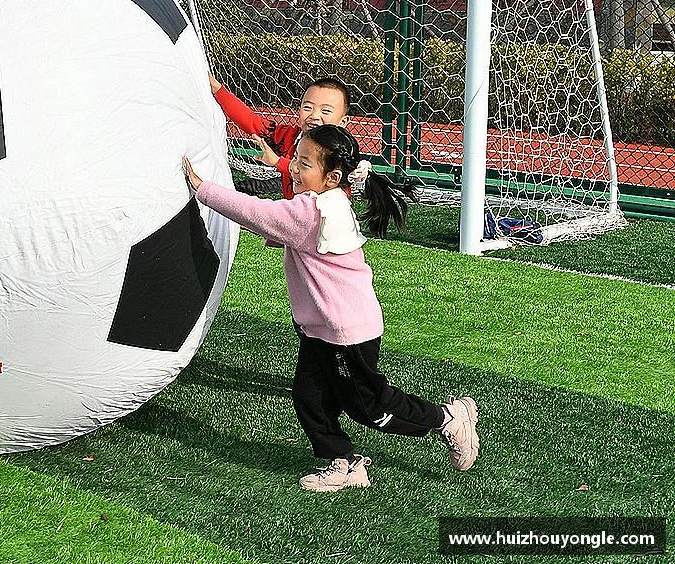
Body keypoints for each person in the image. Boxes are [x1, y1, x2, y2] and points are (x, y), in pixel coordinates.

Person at [183, 124, 479, 492]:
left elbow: (258, 214)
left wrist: (202, 189)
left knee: (369, 408)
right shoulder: (326, 201)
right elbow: (276, 229)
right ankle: (344, 463)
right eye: (296, 159)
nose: (293, 168)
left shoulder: (314, 210)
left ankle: (447, 419)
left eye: (304, 164)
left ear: (332, 176)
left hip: (346, 332)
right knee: (309, 396)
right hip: (319, 329)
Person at [209, 73, 350, 198]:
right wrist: (218, 90)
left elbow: (309, 174)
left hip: (324, 221)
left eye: (325, 111)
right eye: (308, 107)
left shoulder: (342, 151)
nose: (314, 115)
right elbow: (252, 122)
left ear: (342, 122)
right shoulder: (288, 138)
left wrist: (278, 162)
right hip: (294, 216)